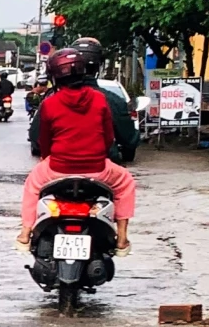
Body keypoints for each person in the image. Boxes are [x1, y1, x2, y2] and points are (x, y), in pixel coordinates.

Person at [18, 43, 137, 249]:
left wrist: (47, 158)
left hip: (57, 168)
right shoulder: (100, 99)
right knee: (125, 182)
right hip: (98, 169)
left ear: (55, 76)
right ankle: (122, 237)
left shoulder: (50, 103)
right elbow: (109, 138)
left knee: (32, 185)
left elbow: (43, 141)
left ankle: (25, 233)